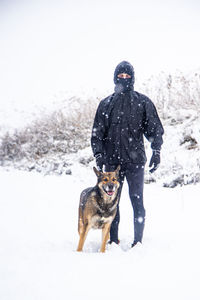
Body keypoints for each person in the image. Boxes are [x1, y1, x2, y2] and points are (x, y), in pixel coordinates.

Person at [91, 61, 164, 247]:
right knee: (112, 202)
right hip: (111, 163)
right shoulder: (106, 104)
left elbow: (155, 129)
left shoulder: (142, 102)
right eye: (121, 76)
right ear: (115, 77)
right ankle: (113, 240)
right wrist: (99, 155)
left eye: (127, 76)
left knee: (137, 200)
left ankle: (137, 242)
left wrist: (156, 150)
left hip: (135, 161)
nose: (124, 79)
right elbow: (97, 133)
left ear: (132, 78)